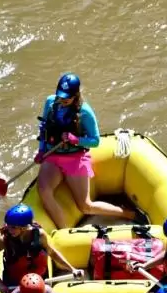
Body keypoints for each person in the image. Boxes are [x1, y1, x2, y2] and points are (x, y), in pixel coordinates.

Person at [34, 72, 138, 229]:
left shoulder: (85, 112)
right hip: (53, 155)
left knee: (85, 206)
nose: (62, 100)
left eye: (67, 97)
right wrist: (42, 150)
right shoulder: (50, 103)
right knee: (44, 191)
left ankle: (127, 214)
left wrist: (76, 140)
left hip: (75, 157)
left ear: (75, 95)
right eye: (60, 96)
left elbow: (95, 141)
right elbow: (43, 130)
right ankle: (64, 232)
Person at [0, 203, 84, 293]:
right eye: (8, 226)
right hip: (14, 283)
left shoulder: (40, 235)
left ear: (24, 227)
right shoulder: (4, 240)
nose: (9, 229)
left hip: (39, 280)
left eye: (13, 227)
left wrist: (72, 269)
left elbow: (52, 253)